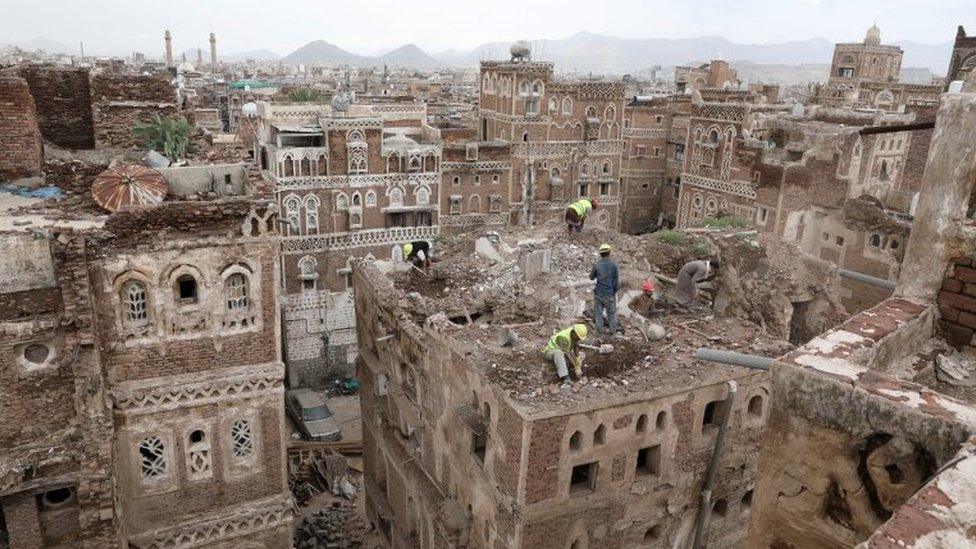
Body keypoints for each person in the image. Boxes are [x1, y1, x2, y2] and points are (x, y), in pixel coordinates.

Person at [589, 243, 619, 335]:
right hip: (609, 294)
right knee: (611, 314)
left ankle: (598, 332)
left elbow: (591, 277)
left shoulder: (597, 265)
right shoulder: (614, 265)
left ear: (600, 254)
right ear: (609, 253)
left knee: (598, 314)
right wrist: (613, 292)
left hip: (599, 294)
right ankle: (613, 333)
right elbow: (616, 281)